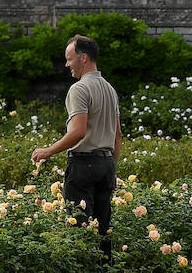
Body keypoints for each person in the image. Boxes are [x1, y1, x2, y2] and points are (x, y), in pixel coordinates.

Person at [32, 34, 122, 260]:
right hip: (107, 163)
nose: (66, 64)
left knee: (78, 230)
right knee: (103, 230)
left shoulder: (79, 89)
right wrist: (112, 169)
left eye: (69, 59)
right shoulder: (110, 89)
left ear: (83, 58)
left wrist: (48, 151)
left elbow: (78, 132)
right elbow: (118, 134)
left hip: (84, 165)